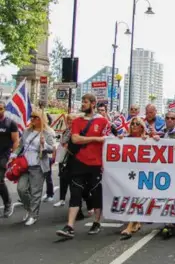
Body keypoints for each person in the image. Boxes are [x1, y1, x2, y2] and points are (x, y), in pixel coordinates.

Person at [56, 94, 110, 239]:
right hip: (78, 163)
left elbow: (109, 140)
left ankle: (96, 222)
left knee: (96, 194)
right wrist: (96, 139)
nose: (83, 104)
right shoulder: (77, 121)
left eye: (85, 102)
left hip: (96, 164)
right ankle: (70, 226)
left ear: (93, 103)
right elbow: (75, 138)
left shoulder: (103, 121)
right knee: (75, 193)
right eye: (82, 102)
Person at [119, 117, 160, 239]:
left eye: (137, 124)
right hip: (129, 172)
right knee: (131, 197)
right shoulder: (126, 138)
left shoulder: (147, 139)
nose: (134, 126)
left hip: (143, 173)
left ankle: (130, 226)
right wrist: (119, 140)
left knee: (137, 197)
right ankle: (136, 222)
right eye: (132, 124)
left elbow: (157, 148)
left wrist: (153, 139)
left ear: (142, 126)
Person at [12, 108, 55, 225]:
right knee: (21, 189)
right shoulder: (27, 131)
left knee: (36, 192)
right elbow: (21, 145)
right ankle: (29, 209)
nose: (33, 119)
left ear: (42, 119)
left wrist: (44, 144)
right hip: (25, 165)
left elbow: (52, 149)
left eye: (36, 117)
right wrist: (14, 154)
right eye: (32, 117)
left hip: (38, 166)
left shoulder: (47, 133)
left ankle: (33, 215)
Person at [0, 101, 19, 217]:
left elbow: (16, 140)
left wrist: (13, 156)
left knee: (0, 181)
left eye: (0, 108)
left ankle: (8, 204)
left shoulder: (10, 123)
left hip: (3, 156)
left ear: (4, 110)